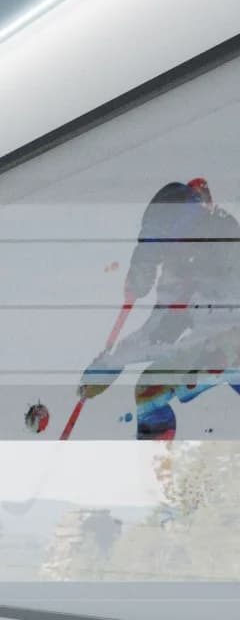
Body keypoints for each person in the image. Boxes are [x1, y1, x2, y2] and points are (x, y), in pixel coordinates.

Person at [78, 179, 240, 440]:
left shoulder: (220, 238)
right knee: (149, 389)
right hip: (217, 348)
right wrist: (110, 364)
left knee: (152, 391)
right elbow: (155, 331)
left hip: (227, 344)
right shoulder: (179, 265)